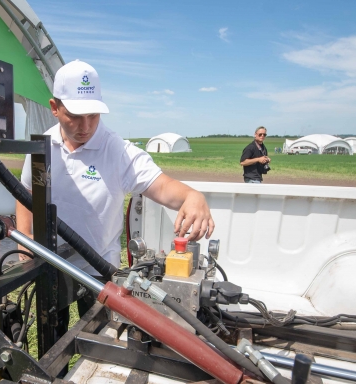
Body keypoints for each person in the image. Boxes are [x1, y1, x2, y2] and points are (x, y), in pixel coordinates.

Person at [16, 59, 214, 279]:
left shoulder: (118, 151)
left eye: (93, 115)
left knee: (96, 314)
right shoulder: (43, 146)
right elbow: (28, 190)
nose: (86, 127)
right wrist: (24, 234)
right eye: (75, 116)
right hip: (50, 259)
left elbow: (162, 186)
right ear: (55, 108)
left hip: (97, 267)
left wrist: (192, 196)